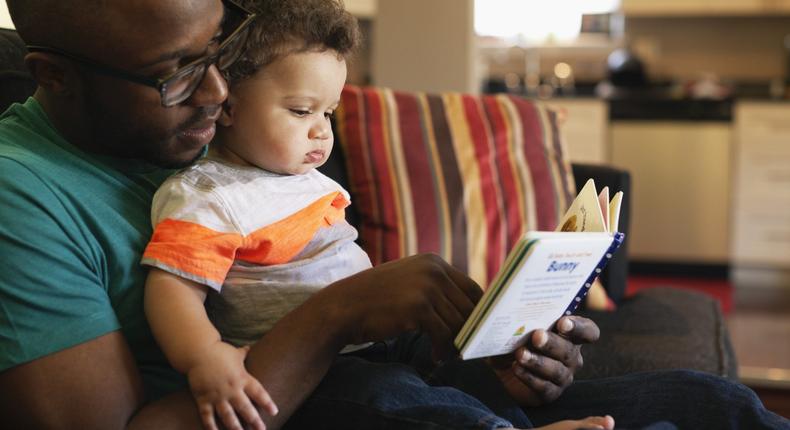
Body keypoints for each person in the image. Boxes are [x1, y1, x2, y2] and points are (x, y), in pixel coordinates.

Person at [0, 0, 787, 429]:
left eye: (213, 56)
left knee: (707, 403)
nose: (214, 94)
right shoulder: (23, 194)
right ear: (55, 76)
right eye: (175, 74)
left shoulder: (229, 140)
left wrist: (504, 355)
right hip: (326, 405)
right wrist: (340, 315)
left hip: (405, 376)